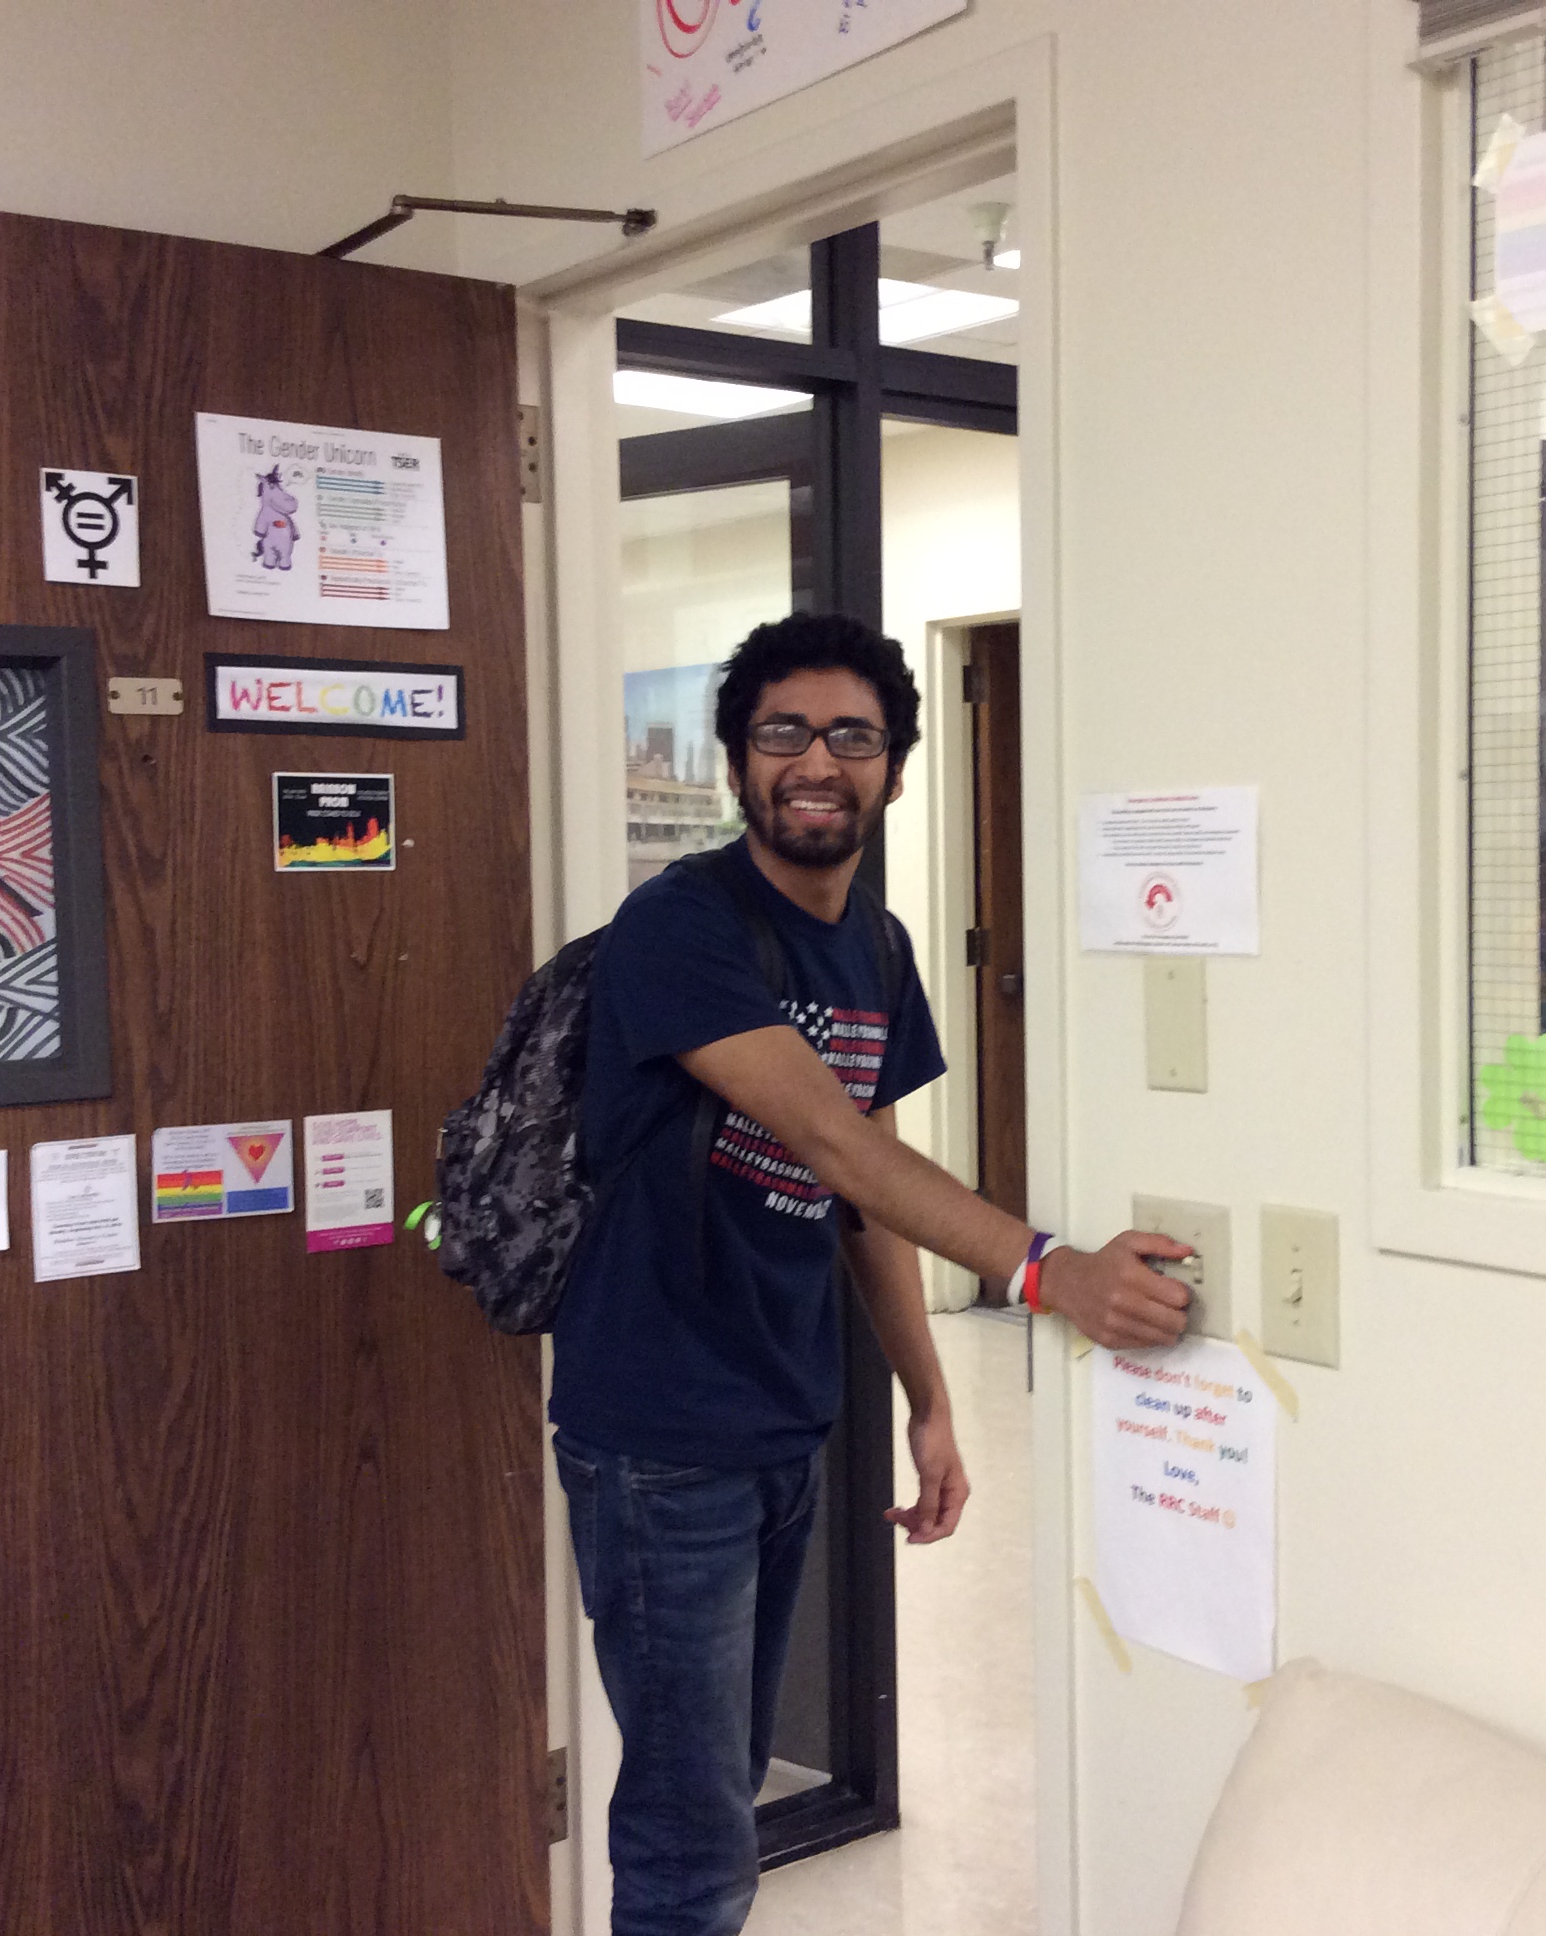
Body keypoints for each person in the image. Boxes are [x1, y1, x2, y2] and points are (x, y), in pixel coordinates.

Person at [550, 612, 1193, 1936]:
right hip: (661, 1436)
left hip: (786, 1420)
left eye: (853, 736)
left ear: (894, 771)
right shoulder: (678, 926)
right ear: (738, 765)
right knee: (689, 1830)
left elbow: (865, 1193)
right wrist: (1048, 1271)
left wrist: (930, 1396)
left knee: (722, 1788)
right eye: (782, 732)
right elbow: (825, 1134)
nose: (816, 761)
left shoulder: (881, 949)